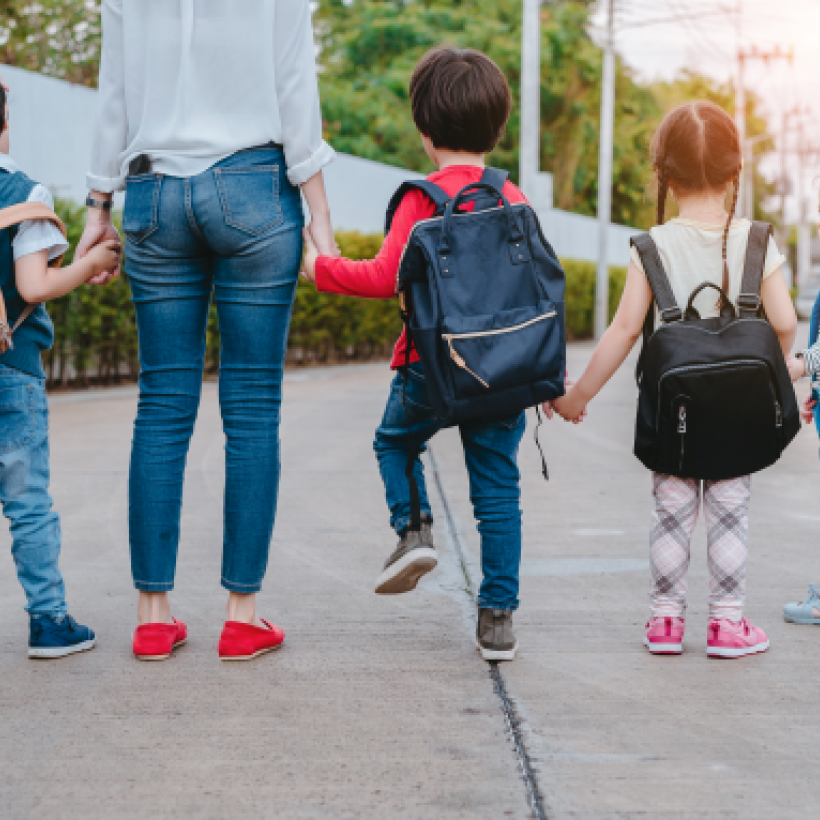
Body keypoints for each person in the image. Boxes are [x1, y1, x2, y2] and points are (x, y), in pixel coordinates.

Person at [77, 0, 338, 662]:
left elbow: (114, 94)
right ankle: (241, 615)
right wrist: (322, 223)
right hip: (253, 187)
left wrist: (97, 208)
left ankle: (152, 617)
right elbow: (294, 88)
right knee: (251, 411)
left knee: (161, 406)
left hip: (155, 193)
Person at [303, 46, 529, 662]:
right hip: (503, 370)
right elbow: (538, 294)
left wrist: (319, 266)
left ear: (425, 133)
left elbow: (383, 276)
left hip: (427, 366)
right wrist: (551, 382)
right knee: (497, 493)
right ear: (497, 126)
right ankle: (498, 619)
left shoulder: (420, 199)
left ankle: (413, 531)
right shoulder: (515, 198)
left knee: (396, 442)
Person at [551, 101, 797, 658]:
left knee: (671, 514)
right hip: (737, 414)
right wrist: (772, 370)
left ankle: (664, 623)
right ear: (737, 172)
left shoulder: (651, 247)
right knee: (730, 516)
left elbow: (621, 331)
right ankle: (727, 626)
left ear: (663, 173)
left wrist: (575, 397)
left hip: (675, 414)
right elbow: (783, 322)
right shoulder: (757, 240)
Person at [0, 81, 121, 657]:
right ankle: (48, 622)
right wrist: (92, 261)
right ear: (5, 124)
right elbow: (32, 285)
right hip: (11, 369)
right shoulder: (22, 193)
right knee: (27, 502)